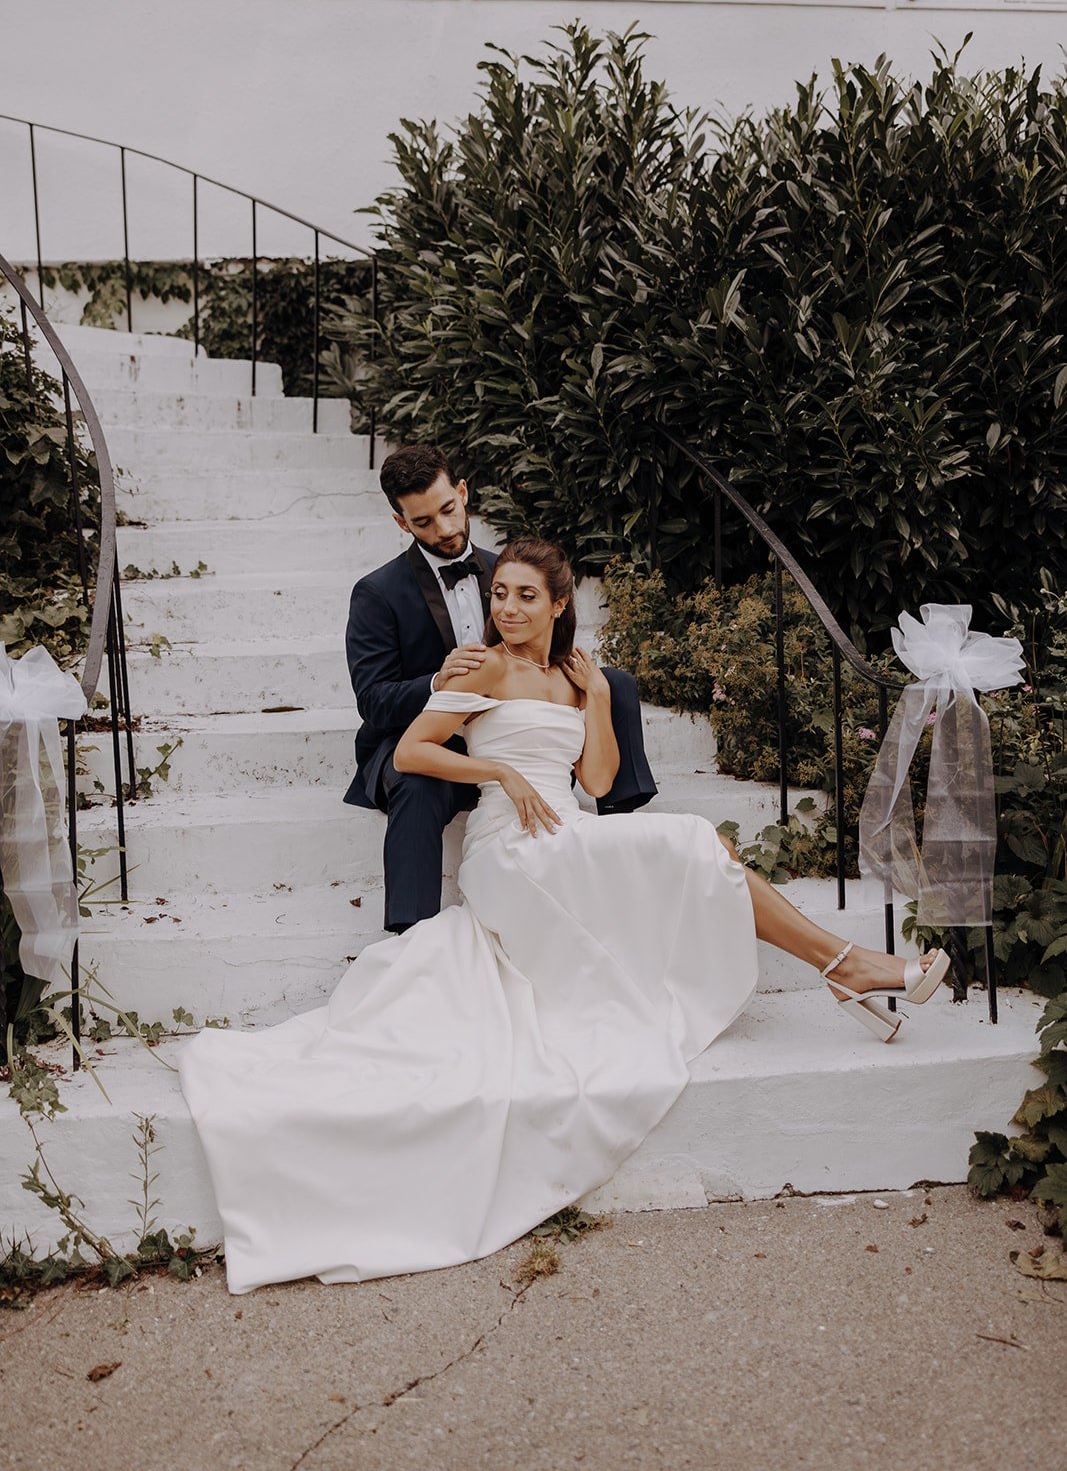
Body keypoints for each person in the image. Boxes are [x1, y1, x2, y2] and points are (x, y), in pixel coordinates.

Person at [180, 538, 949, 1295]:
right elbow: (413, 753)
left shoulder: (575, 678)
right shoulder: (480, 666)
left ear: (558, 605)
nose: (506, 608)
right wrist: (498, 769)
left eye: (523, 596)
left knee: (697, 850)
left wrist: (602, 702)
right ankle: (847, 967)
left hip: (566, 834)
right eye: (499, 594)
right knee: (691, 842)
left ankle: (845, 968)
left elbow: (600, 780)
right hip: (507, 852)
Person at [342, 444, 656, 931]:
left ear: (463, 492)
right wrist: (436, 682)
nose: (444, 529)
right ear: (401, 523)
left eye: (449, 510)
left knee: (613, 683)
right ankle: (412, 933)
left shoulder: (508, 570)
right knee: (416, 783)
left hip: (506, 725)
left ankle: (619, 819)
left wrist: (589, 686)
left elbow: (543, 652)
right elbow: (373, 700)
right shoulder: (377, 593)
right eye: (423, 522)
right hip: (432, 741)